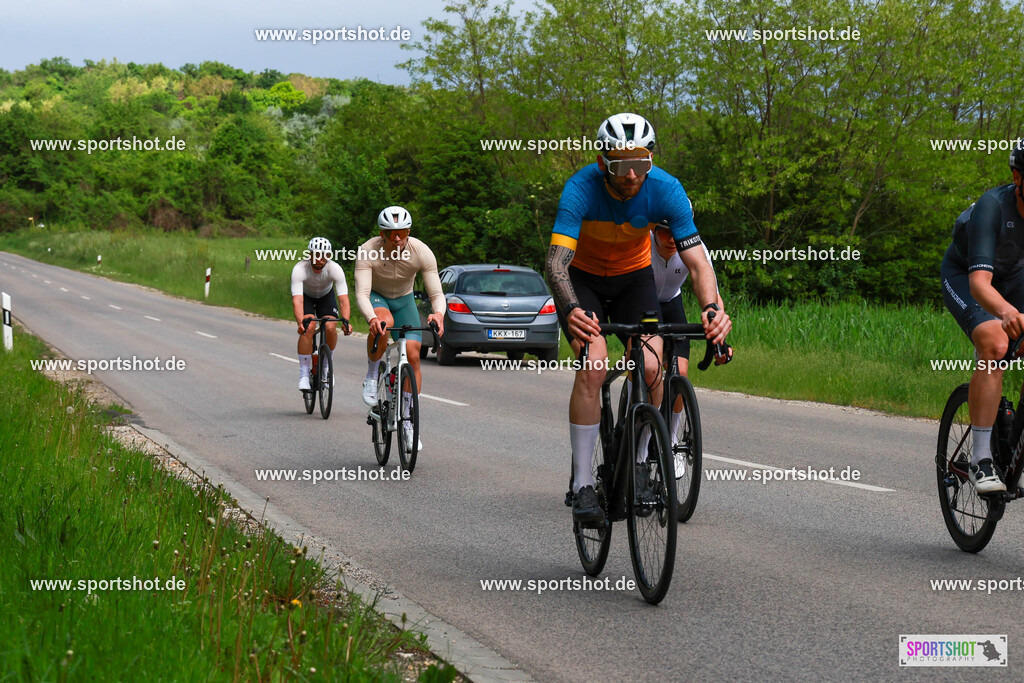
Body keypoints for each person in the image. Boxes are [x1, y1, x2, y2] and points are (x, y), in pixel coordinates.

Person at [545, 113, 731, 525]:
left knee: (650, 366)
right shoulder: (580, 189)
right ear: (602, 163)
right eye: (621, 165)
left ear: (651, 159)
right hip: (584, 281)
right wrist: (572, 308)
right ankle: (581, 485)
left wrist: (713, 308)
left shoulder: (667, 190)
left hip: (634, 279)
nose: (632, 175)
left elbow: (699, 264)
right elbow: (556, 263)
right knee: (593, 366)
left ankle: (643, 460)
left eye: (641, 164)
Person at [941, 144, 1024, 493]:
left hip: (1016, 277)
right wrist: (1006, 312)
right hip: (967, 275)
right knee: (996, 343)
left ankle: (1013, 444)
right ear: (1018, 178)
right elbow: (979, 284)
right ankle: (980, 460)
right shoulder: (993, 206)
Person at [354, 206, 446, 451]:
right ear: (381, 233)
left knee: (414, 354)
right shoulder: (367, 251)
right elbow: (362, 293)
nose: (397, 238)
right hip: (377, 297)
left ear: (409, 231)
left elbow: (436, 293)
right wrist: (372, 317)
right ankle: (372, 376)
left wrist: (439, 314)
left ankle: (407, 420)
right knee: (386, 324)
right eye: (391, 233)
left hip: (404, 300)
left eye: (402, 232)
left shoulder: (421, 251)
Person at [291, 236, 352, 391]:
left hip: (326, 297)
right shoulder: (300, 269)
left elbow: (344, 300)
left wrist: (346, 321)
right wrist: (300, 323)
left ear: (329, 256)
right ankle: (304, 375)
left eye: (323, 255)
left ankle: (326, 367)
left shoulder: (335, 269)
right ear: (309, 254)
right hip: (307, 297)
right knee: (309, 326)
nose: (319, 259)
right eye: (316, 254)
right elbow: (297, 301)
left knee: (331, 326)